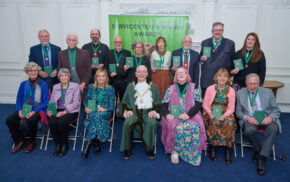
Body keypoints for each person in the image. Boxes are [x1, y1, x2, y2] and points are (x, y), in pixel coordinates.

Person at [236, 73, 281, 176]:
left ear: (259, 83)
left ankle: (261, 156)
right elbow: (238, 112)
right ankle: (259, 149)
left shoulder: (268, 92)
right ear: (246, 84)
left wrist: (270, 117)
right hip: (251, 119)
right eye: (250, 84)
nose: (253, 86)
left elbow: (276, 110)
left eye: (255, 83)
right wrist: (248, 118)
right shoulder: (240, 93)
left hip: (266, 118)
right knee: (249, 130)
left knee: (274, 128)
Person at [161, 67, 207, 166]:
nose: (180, 75)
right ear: (175, 77)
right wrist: (167, 114)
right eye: (178, 73)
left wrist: (188, 115)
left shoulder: (194, 87)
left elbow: (198, 103)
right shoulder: (171, 88)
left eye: (183, 73)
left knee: (193, 127)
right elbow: (164, 104)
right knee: (173, 126)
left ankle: (192, 153)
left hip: (190, 115)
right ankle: (174, 151)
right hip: (174, 115)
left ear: (187, 75)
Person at [6, 62, 49, 153]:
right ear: (27, 72)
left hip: (38, 109)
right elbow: (19, 100)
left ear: (37, 72)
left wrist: (34, 112)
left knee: (32, 120)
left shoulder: (43, 84)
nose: (33, 72)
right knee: (10, 120)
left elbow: (45, 101)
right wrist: (19, 110)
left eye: (35, 70)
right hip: (25, 108)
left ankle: (31, 142)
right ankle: (20, 140)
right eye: (31, 71)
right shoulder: (23, 84)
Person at [120, 65, 161, 160]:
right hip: (134, 113)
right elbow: (124, 101)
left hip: (148, 114)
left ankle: (149, 148)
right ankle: (128, 148)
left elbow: (158, 102)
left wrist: (154, 111)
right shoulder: (130, 86)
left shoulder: (153, 86)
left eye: (143, 72)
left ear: (147, 74)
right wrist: (127, 110)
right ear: (136, 74)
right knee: (127, 122)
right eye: (139, 72)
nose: (141, 74)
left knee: (151, 122)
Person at [203, 68, 236, 164]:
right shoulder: (210, 88)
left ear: (228, 79)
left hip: (226, 112)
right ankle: (212, 147)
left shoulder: (232, 90)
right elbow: (205, 104)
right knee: (214, 122)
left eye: (225, 76)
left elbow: (231, 108)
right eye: (220, 76)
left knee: (229, 123)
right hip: (211, 112)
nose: (222, 78)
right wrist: (210, 113)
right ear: (216, 77)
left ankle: (228, 149)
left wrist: (224, 116)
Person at [81, 69, 115, 159]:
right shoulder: (91, 87)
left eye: (103, 76)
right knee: (95, 116)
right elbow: (85, 100)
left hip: (105, 112)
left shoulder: (110, 89)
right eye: (99, 76)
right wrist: (86, 107)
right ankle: (95, 142)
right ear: (96, 77)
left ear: (106, 78)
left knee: (97, 116)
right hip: (93, 110)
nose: (101, 78)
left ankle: (88, 144)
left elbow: (112, 106)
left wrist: (105, 108)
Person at [47, 68, 80, 157]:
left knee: (61, 122)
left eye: (66, 75)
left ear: (69, 77)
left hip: (70, 110)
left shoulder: (75, 86)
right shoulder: (55, 87)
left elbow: (76, 103)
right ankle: (57, 144)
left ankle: (64, 144)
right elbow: (52, 101)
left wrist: (64, 112)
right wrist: (50, 110)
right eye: (61, 76)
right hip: (57, 109)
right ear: (59, 78)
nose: (64, 77)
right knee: (52, 122)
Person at [200, 22, 235, 96]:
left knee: (220, 104)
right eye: (216, 30)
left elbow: (233, 61)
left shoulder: (230, 44)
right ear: (212, 31)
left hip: (222, 80)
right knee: (206, 103)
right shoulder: (205, 42)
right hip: (207, 79)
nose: (218, 32)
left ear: (223, 31)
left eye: (220, 30)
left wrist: (230, 74)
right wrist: (201, 58)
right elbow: (200, 57)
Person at [105, 36, 131, 100]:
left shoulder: (127, 53)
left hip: (123, 81)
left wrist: (126, 69)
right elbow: (105, 66)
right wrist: (109, 73)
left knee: (124, 99)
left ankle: (123, 110)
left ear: (122, 43)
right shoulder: (108, 53)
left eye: (120, 42)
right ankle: (113, 110)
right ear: (114, 43)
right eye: (116, 42)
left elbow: (130, 67)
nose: (118, 43)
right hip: (112, 81)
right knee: (112, 99)